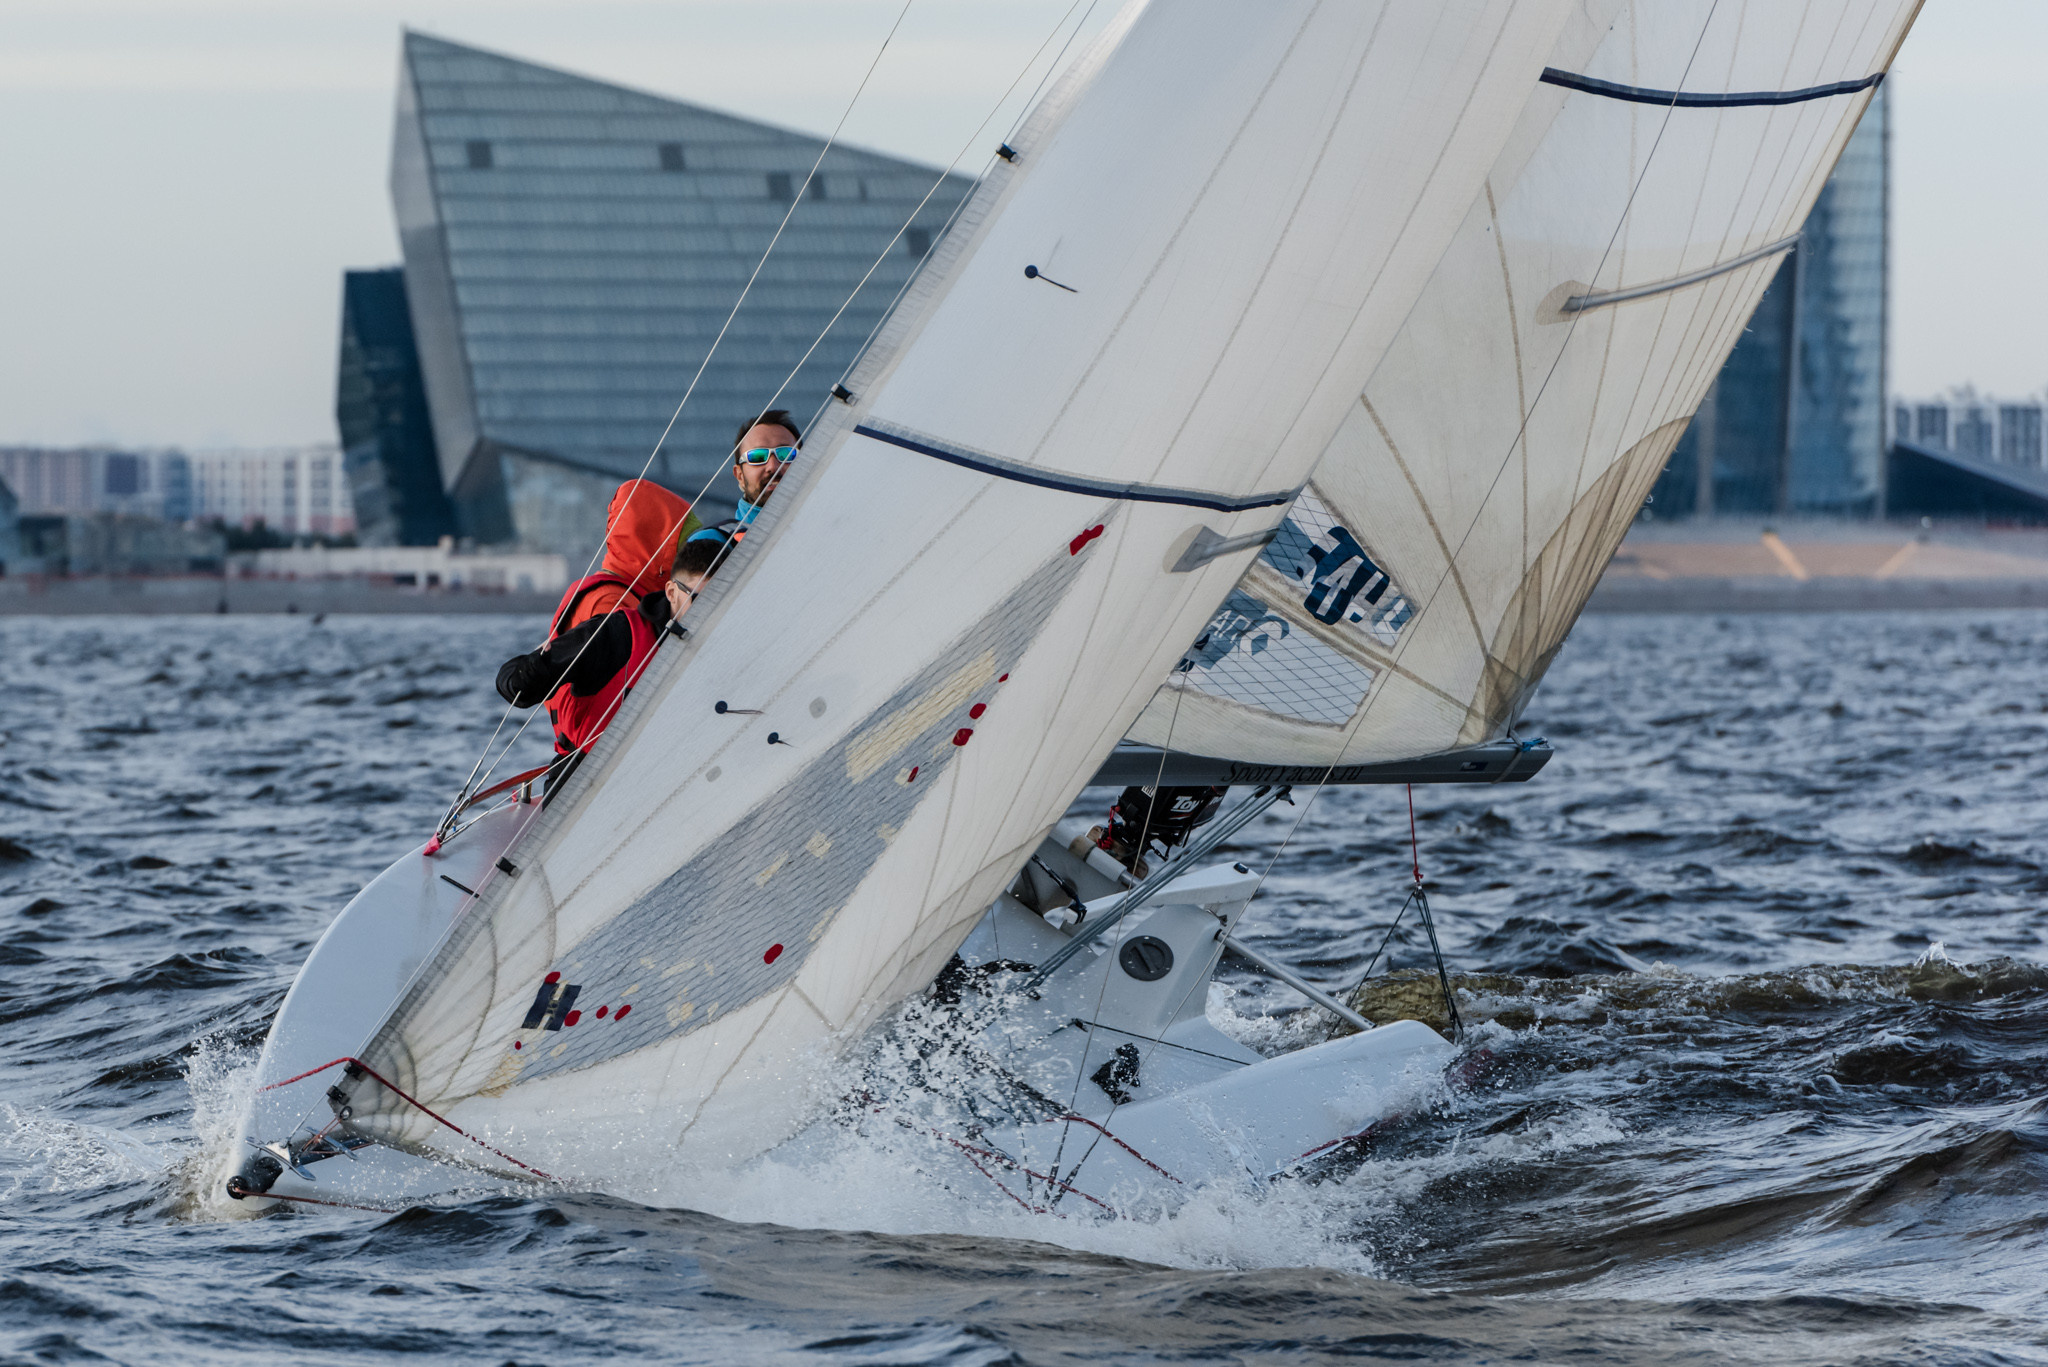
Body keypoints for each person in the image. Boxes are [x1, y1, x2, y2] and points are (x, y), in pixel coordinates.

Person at [497, 496, 713, 777]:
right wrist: (527, 676)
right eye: (681, 546)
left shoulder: (638, 598)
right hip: (595, 775)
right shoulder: (613, 607)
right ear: (659, 547)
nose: (685, 554)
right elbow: (531, 680)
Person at [686, 409, 801, 549]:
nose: (773, 466)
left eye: (786, 454)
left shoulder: (830, 530)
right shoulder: (709, 545)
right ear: (739, 475)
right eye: (757, 457)